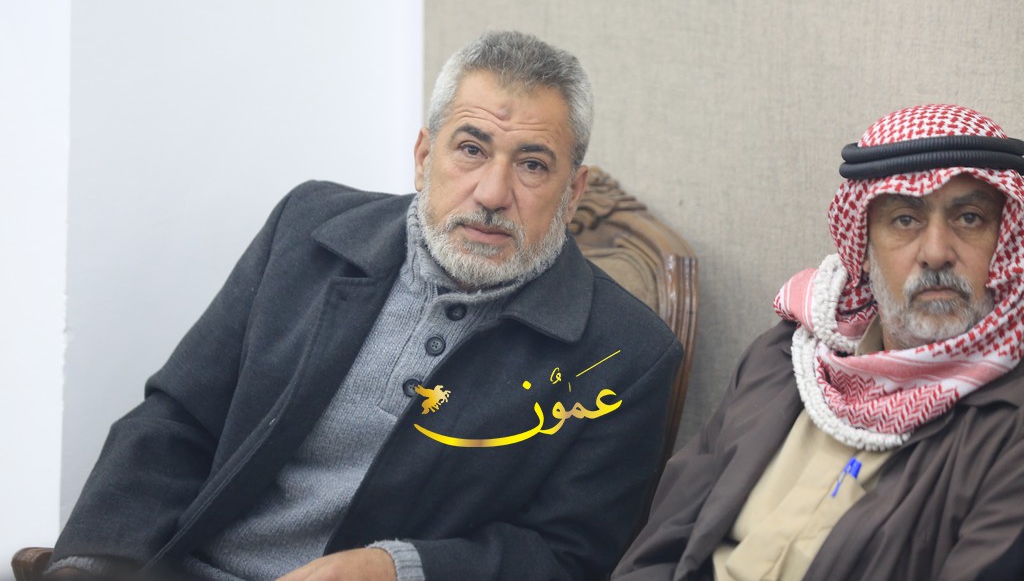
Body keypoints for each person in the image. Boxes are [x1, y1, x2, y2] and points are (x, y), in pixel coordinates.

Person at [51, 31, 684, 581]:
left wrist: (397, 568)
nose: (492, 193)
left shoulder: (625, 356)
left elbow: (566, 559)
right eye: (470, 149)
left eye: (533, 165)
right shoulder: (310, 229)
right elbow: (177, 420)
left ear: (572, 192)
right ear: (423, 157)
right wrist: (92, 562)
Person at [613, 104, 1024, 581]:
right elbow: (661, 545)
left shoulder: (1009, 424)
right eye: (905, 220)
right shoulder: (785, 359)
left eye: (969, 218)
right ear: (863, 248)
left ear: (1006, 242)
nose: (936, 252)